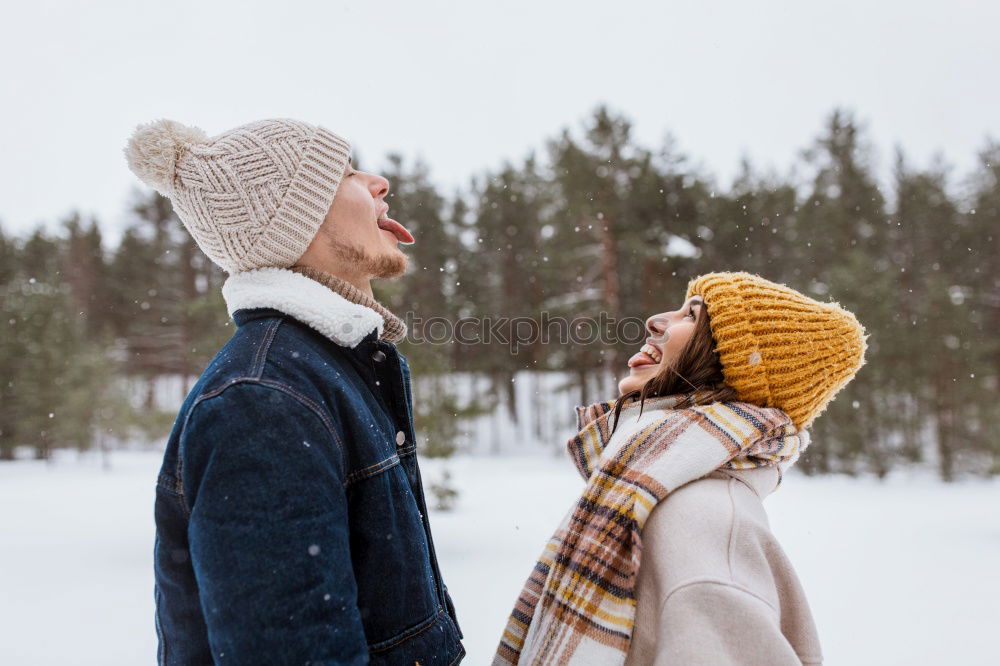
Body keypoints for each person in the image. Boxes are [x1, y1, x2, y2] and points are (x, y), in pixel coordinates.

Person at [125, 118, 464, 665]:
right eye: (347, 173)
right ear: (295, 220)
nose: (378, 182)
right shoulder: (263, 400)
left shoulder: (328, 369)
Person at [496, 271, 867, 666]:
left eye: (691, 316)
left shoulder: (703, 521)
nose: (655, 321)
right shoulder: (652, 488)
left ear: (732, 363)